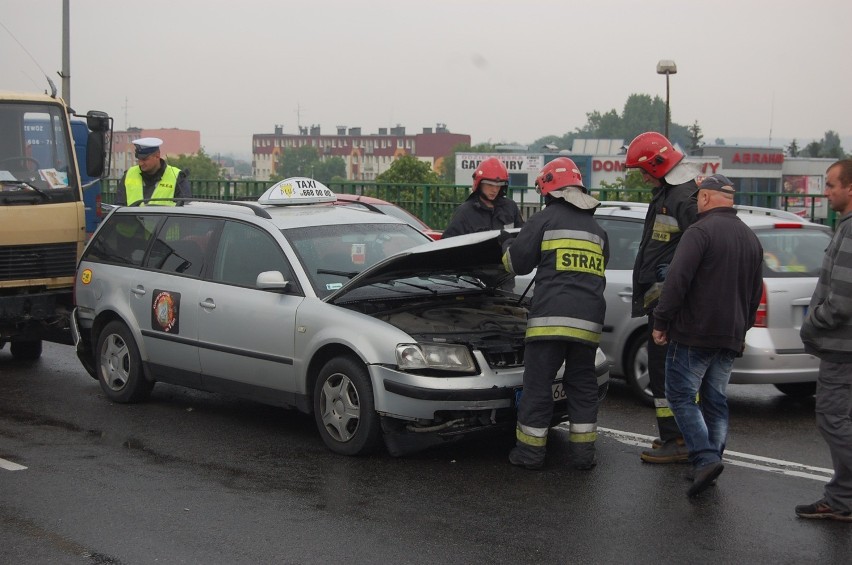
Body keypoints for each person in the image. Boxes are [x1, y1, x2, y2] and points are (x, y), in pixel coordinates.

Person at [651, 174, 763, 496]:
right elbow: (755, 293)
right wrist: (742, 328)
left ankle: (704, 458)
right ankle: (710, 463)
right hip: (729, 336)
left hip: (694, 333)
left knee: (680, 395)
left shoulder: (698, 232)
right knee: (715, 400)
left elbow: (676, 281)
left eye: (698, 197)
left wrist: (661, 321)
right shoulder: (751, 239)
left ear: (705, 198)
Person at [501, 157, 608, 470]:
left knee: (538, 386)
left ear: (547, 190)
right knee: (583, 387)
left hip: (549, 322)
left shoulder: (544, 220)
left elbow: (517, 264)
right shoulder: (598, 230)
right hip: (588, 326)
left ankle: (530, 454)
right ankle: (583, 457)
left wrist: (506, 243)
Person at [624, 132, 699, 464]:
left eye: (643, 170)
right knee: (661, 372)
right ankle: (673, 436)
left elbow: (698, 249)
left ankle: (680, 440)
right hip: (662, 303)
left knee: (670, 374)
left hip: (673, 307)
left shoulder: (684, 197)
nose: (641, 177)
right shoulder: (668, 193)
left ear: (657, 164)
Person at [796, 159, 852, 522]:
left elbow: (842, 301)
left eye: (832, 184)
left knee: (832, 418)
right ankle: (842, 498)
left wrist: (813, 323)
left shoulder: (850, 230)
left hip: (842, 349)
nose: (826, 191)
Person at [442, 157, 523, 238]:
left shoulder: (511, 207)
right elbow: (447, 244)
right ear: (479, 184)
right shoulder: (465, 212)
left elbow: (523, 237)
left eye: (498, 185)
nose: (494, 190)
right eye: (490, 185)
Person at [115, 137, 191, 206]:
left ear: (157, 156)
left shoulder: (177, 177)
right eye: (139, 159)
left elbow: (184, 209)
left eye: (144, 159)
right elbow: (119, 206)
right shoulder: (129, 174)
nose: (140, 163)